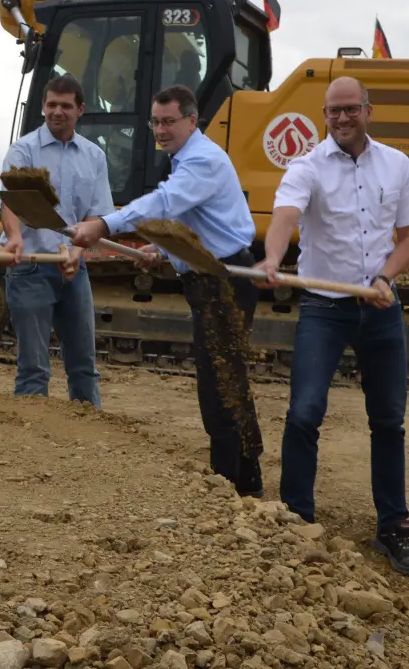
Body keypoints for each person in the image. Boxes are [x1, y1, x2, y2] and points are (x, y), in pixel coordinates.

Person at [253, 76, 409, 577]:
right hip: (324, 307)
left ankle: (393, 528)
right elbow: (286, 214)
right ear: (324, 116)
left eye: (351, 109)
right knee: (305, 412)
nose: (343, 118)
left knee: (388, 421)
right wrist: (271, 258)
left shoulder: (397, 165)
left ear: (368, 111)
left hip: (380, 306)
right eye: (334, 111)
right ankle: (295, 520)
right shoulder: (307, 166)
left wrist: (385, 277)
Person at [69, 85, 264, 496]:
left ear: (192, 121)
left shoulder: (201, 161)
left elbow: (166, 202)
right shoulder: (188, 160)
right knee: (228, 380)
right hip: (209, 276)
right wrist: (162, 249)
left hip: (223, 281)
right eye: (156, 122)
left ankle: (230, 485)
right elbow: (196, 221)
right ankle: (247, 481)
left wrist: (105, 224)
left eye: (169, 121)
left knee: (219, 387)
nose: (161, 130)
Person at [0, 75, 112, 406]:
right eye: (51, 104)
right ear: (43, 107)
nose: (57, 111)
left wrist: (77, 253)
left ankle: (89, 428)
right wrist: (15, 237)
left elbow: (95, 217)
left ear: (80, 110)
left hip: (73, 271)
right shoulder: (23, 151)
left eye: (65, 105)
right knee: (33, 368)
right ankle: (32, 440)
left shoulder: (94, 157)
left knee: (84, 367)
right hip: (31, 268)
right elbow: (11, 202)